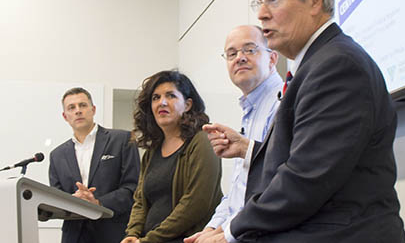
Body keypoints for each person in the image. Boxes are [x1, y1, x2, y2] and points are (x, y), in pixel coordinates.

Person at [198, 0, 405, 242]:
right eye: (259, 2)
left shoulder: (337, 65)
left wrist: (232, 231)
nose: (261, 14)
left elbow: (307, 177)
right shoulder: (317, 63)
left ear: (314, 1)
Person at [184, 25, 282, 243]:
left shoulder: (281, 103)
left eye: (249, 50)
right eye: (232, 53)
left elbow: (278, 181)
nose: (240, 58)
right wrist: (211, 228)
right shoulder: (251, 109)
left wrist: (226, 233)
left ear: (272, 59)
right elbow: (237, 192)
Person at [122, 70, 223, 243]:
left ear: (188, 104)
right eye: (155, 98)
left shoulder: (201, 140)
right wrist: (132, 233)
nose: (162, 102)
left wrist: (150, 239)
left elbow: (196, 203)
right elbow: (140, 200)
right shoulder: (151, 152)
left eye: (170, 96)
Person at [49, 87, 140, 243]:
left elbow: (133, 188)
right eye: (72, 107)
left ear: (93, 109)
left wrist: (97, 203)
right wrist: (73, 200)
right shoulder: (57, 155)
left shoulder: (123, 139)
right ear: (65, 116)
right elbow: (56, 197)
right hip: (74, 236)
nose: (78, 111)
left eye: (83, 105)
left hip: (114, 232)